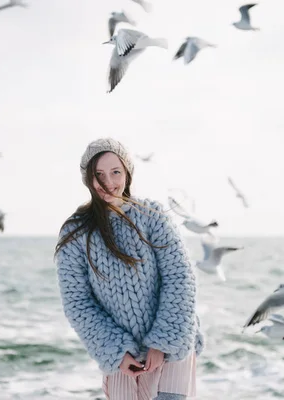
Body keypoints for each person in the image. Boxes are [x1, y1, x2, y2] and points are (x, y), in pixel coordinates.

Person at [54, 138, 204, 400]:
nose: (108, 182)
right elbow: (78, 302)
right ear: (88, 179)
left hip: (172, 345)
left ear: (127, 173)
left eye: (115, 172)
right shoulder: (75, 232)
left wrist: (162, 343)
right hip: (123, 358)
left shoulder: (153, 216)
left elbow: (180, 280)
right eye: (98, 175)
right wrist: (116, 351)